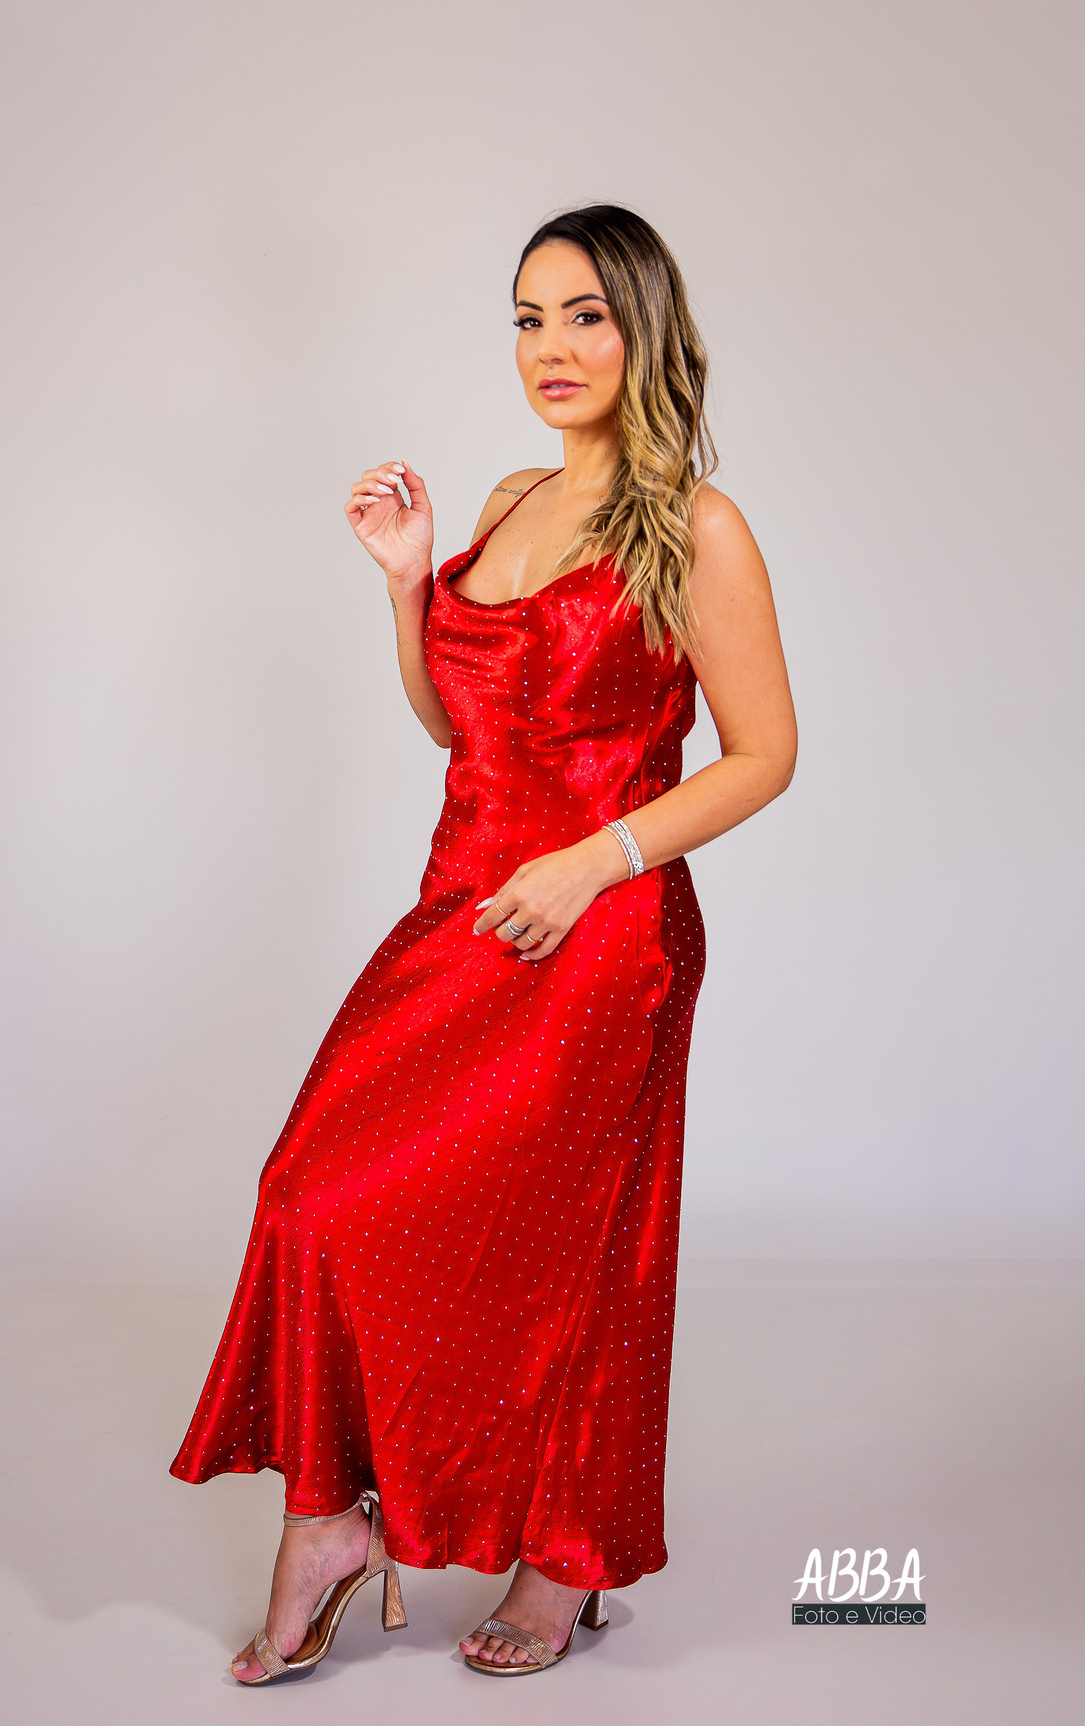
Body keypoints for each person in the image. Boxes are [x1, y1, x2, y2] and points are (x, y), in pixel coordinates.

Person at [169, 203, 797, 1681]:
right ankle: (333, 1518)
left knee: (575, 1254)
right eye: (527, 318)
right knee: (310, 1194)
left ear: (645, 329)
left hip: (605, 929)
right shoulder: (515, 499)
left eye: (585, 315)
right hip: (460, 908)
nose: (550, 347)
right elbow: (461, 728)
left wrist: (594, 861)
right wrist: (408, 586)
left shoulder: (697, 527)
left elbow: (765, 754)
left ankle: (561, 1557)